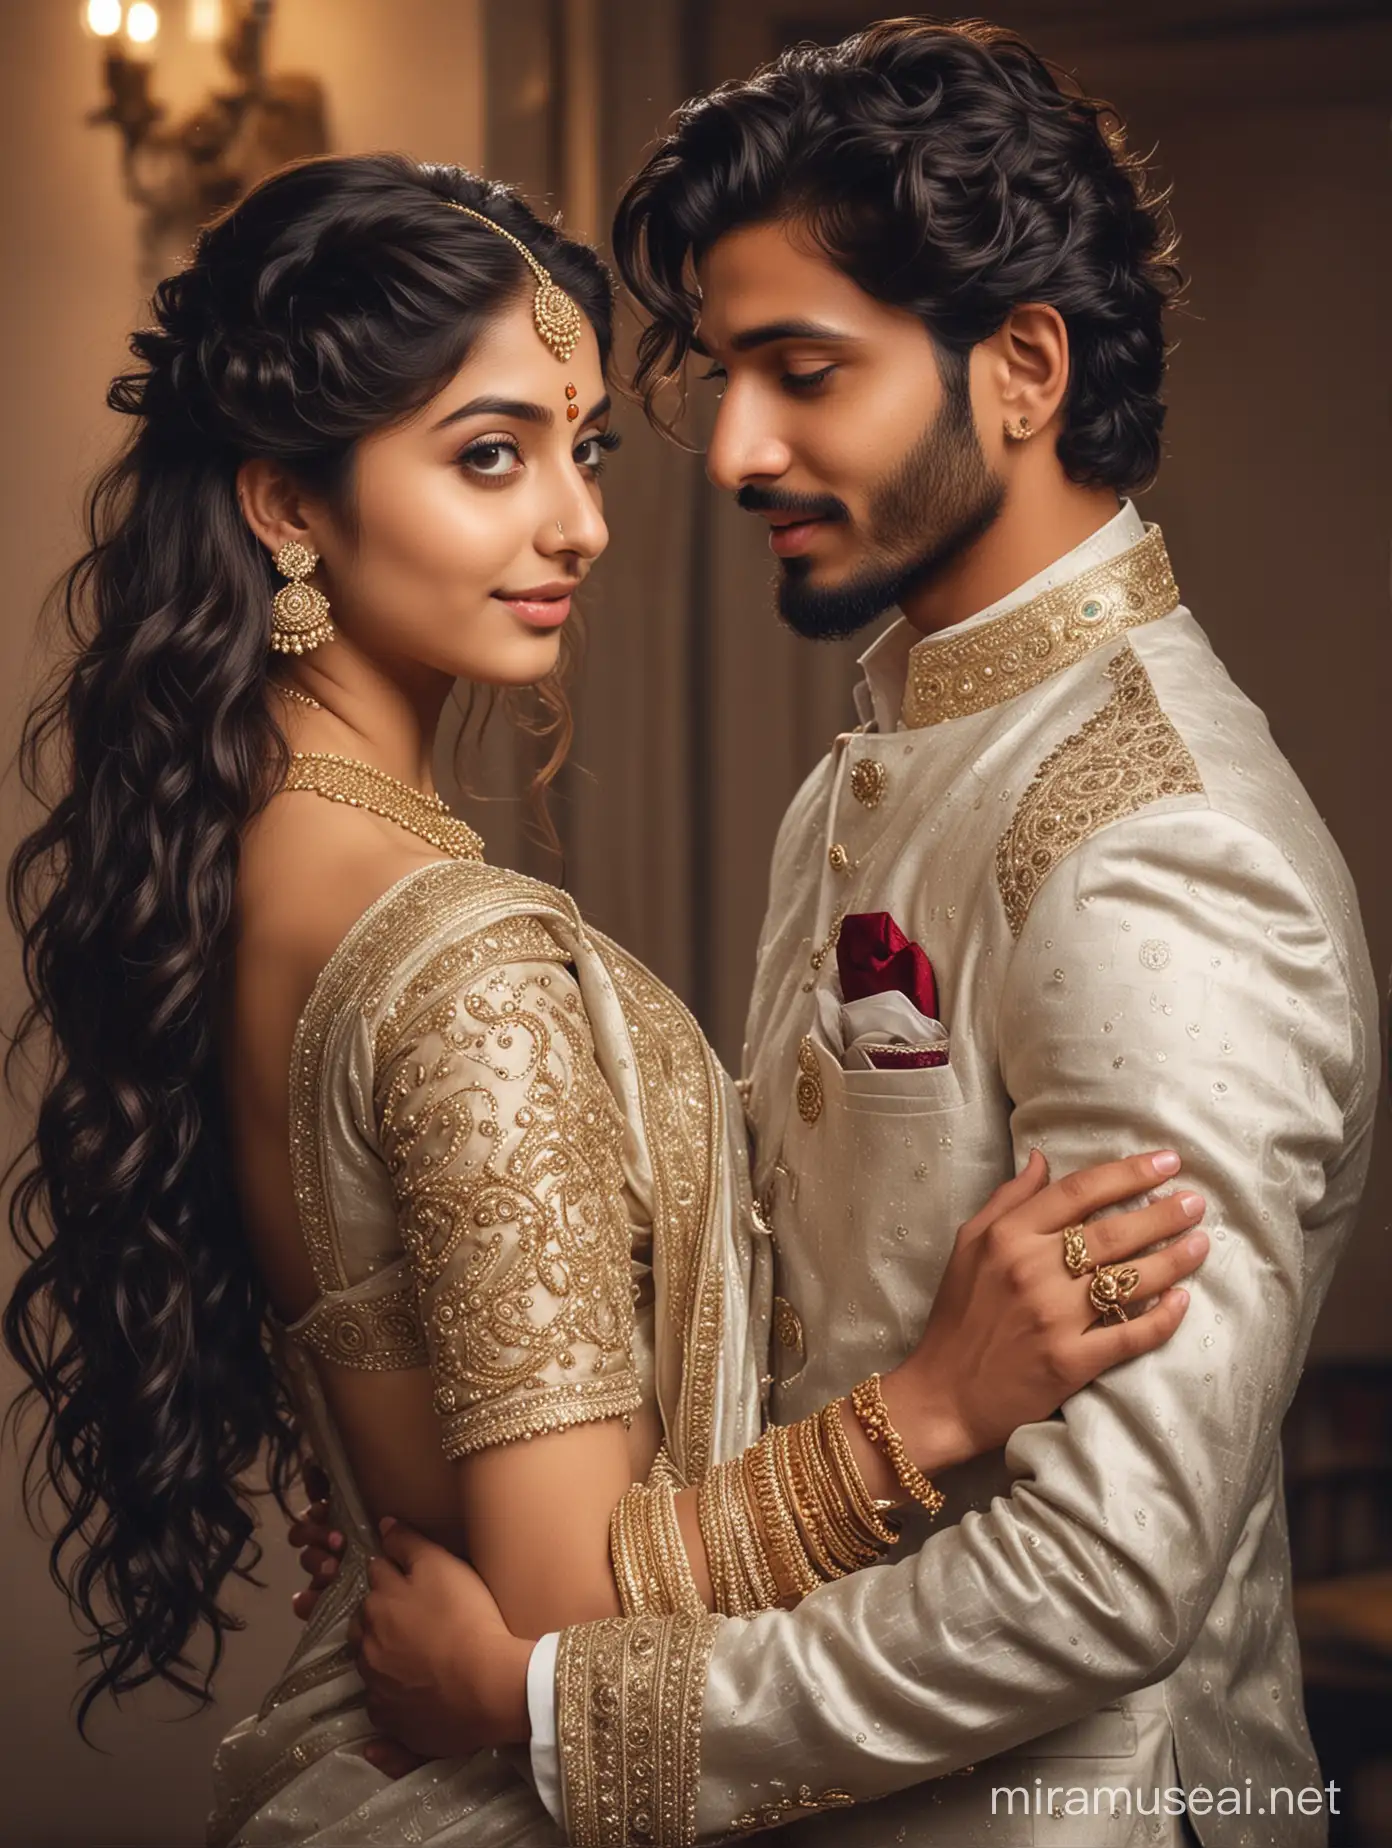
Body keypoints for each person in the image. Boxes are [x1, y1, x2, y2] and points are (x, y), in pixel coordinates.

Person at [2, 151, 1207, 1848]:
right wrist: (931, 1408)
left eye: (583, 450)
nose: (578, 520)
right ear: (287, 504)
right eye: (490, 456)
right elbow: (570, 1606)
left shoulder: (239, 870)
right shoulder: (464, 964)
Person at [303, 21, 1379, 1848]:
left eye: (805, 371)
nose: (733, 449)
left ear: (1023, 367)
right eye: (724, 375)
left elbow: (1106, 1577)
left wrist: (550, 1701)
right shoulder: (896, 747)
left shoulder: (1163, 842)